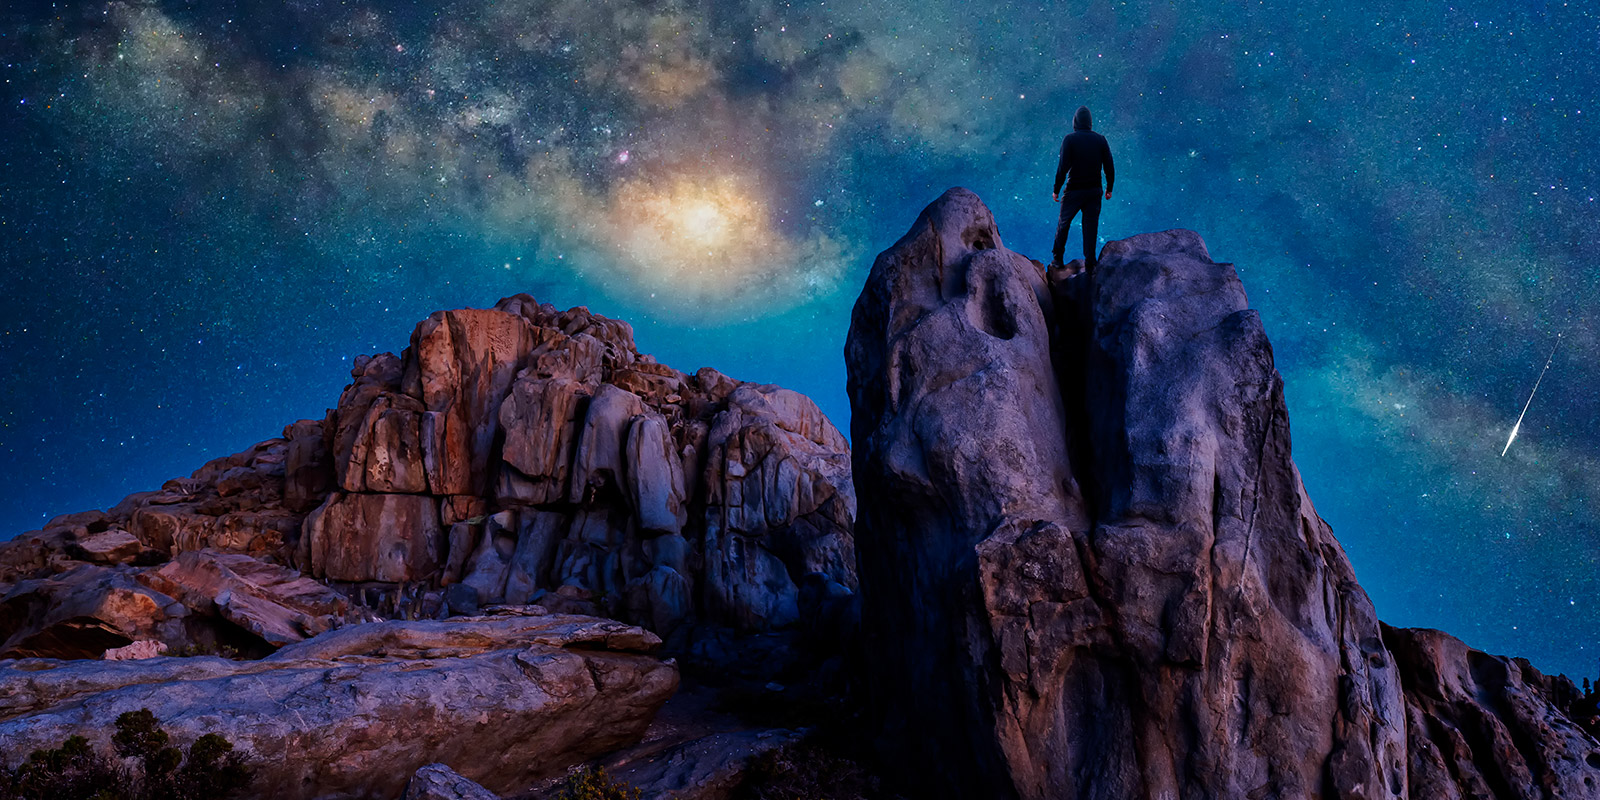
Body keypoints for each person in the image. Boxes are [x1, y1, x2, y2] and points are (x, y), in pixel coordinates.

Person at [1050, 106, 1114, 273]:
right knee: (1090, 226)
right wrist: (1109, 188)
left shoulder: (1070, 139)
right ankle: (1091, 263)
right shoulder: (1101, 139)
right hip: (1094, 191)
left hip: (1073, 191)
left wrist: (1056, 189)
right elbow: (1109, 166)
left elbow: (1062, 167)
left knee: (1063, 224)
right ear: (1090, 122)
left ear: (1075, 122)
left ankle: (1057, 260)